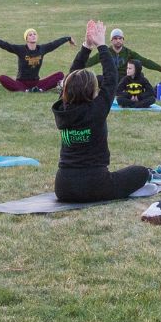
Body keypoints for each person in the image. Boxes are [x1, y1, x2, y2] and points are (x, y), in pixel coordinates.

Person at [53, 19, 151, 202]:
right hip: (96, 185)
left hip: (63, 187)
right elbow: (112, 77)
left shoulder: (62, 109)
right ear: (91, 91)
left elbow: (72, 76)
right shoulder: (97, 109)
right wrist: (101, 45)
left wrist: (86, 47)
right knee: (141, 172)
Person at [0, 29, 75, 92]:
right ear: (26, 38)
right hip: (21, 83)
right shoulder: (20, 49)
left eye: (34, 34)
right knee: (2, 78)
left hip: (36, 82)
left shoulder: (42, 49)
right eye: (30, 34)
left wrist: (68, 38)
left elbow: (55, 43)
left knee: (60, 75)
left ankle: (37, 89)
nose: (33, 35)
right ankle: (29, 90)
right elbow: (4, 44)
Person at [84, 28, 161, 77]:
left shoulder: (128, 53)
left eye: (120, 38)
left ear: (123, 40)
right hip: (109, 79)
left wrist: (160, 68)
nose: (118, 40)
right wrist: (77, 67)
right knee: (96, 79)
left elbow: (144, 61)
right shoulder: (105, 53)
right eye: (115, 38)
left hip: (124, 80)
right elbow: (89, 62)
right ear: (111, 40)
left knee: (140, 76)